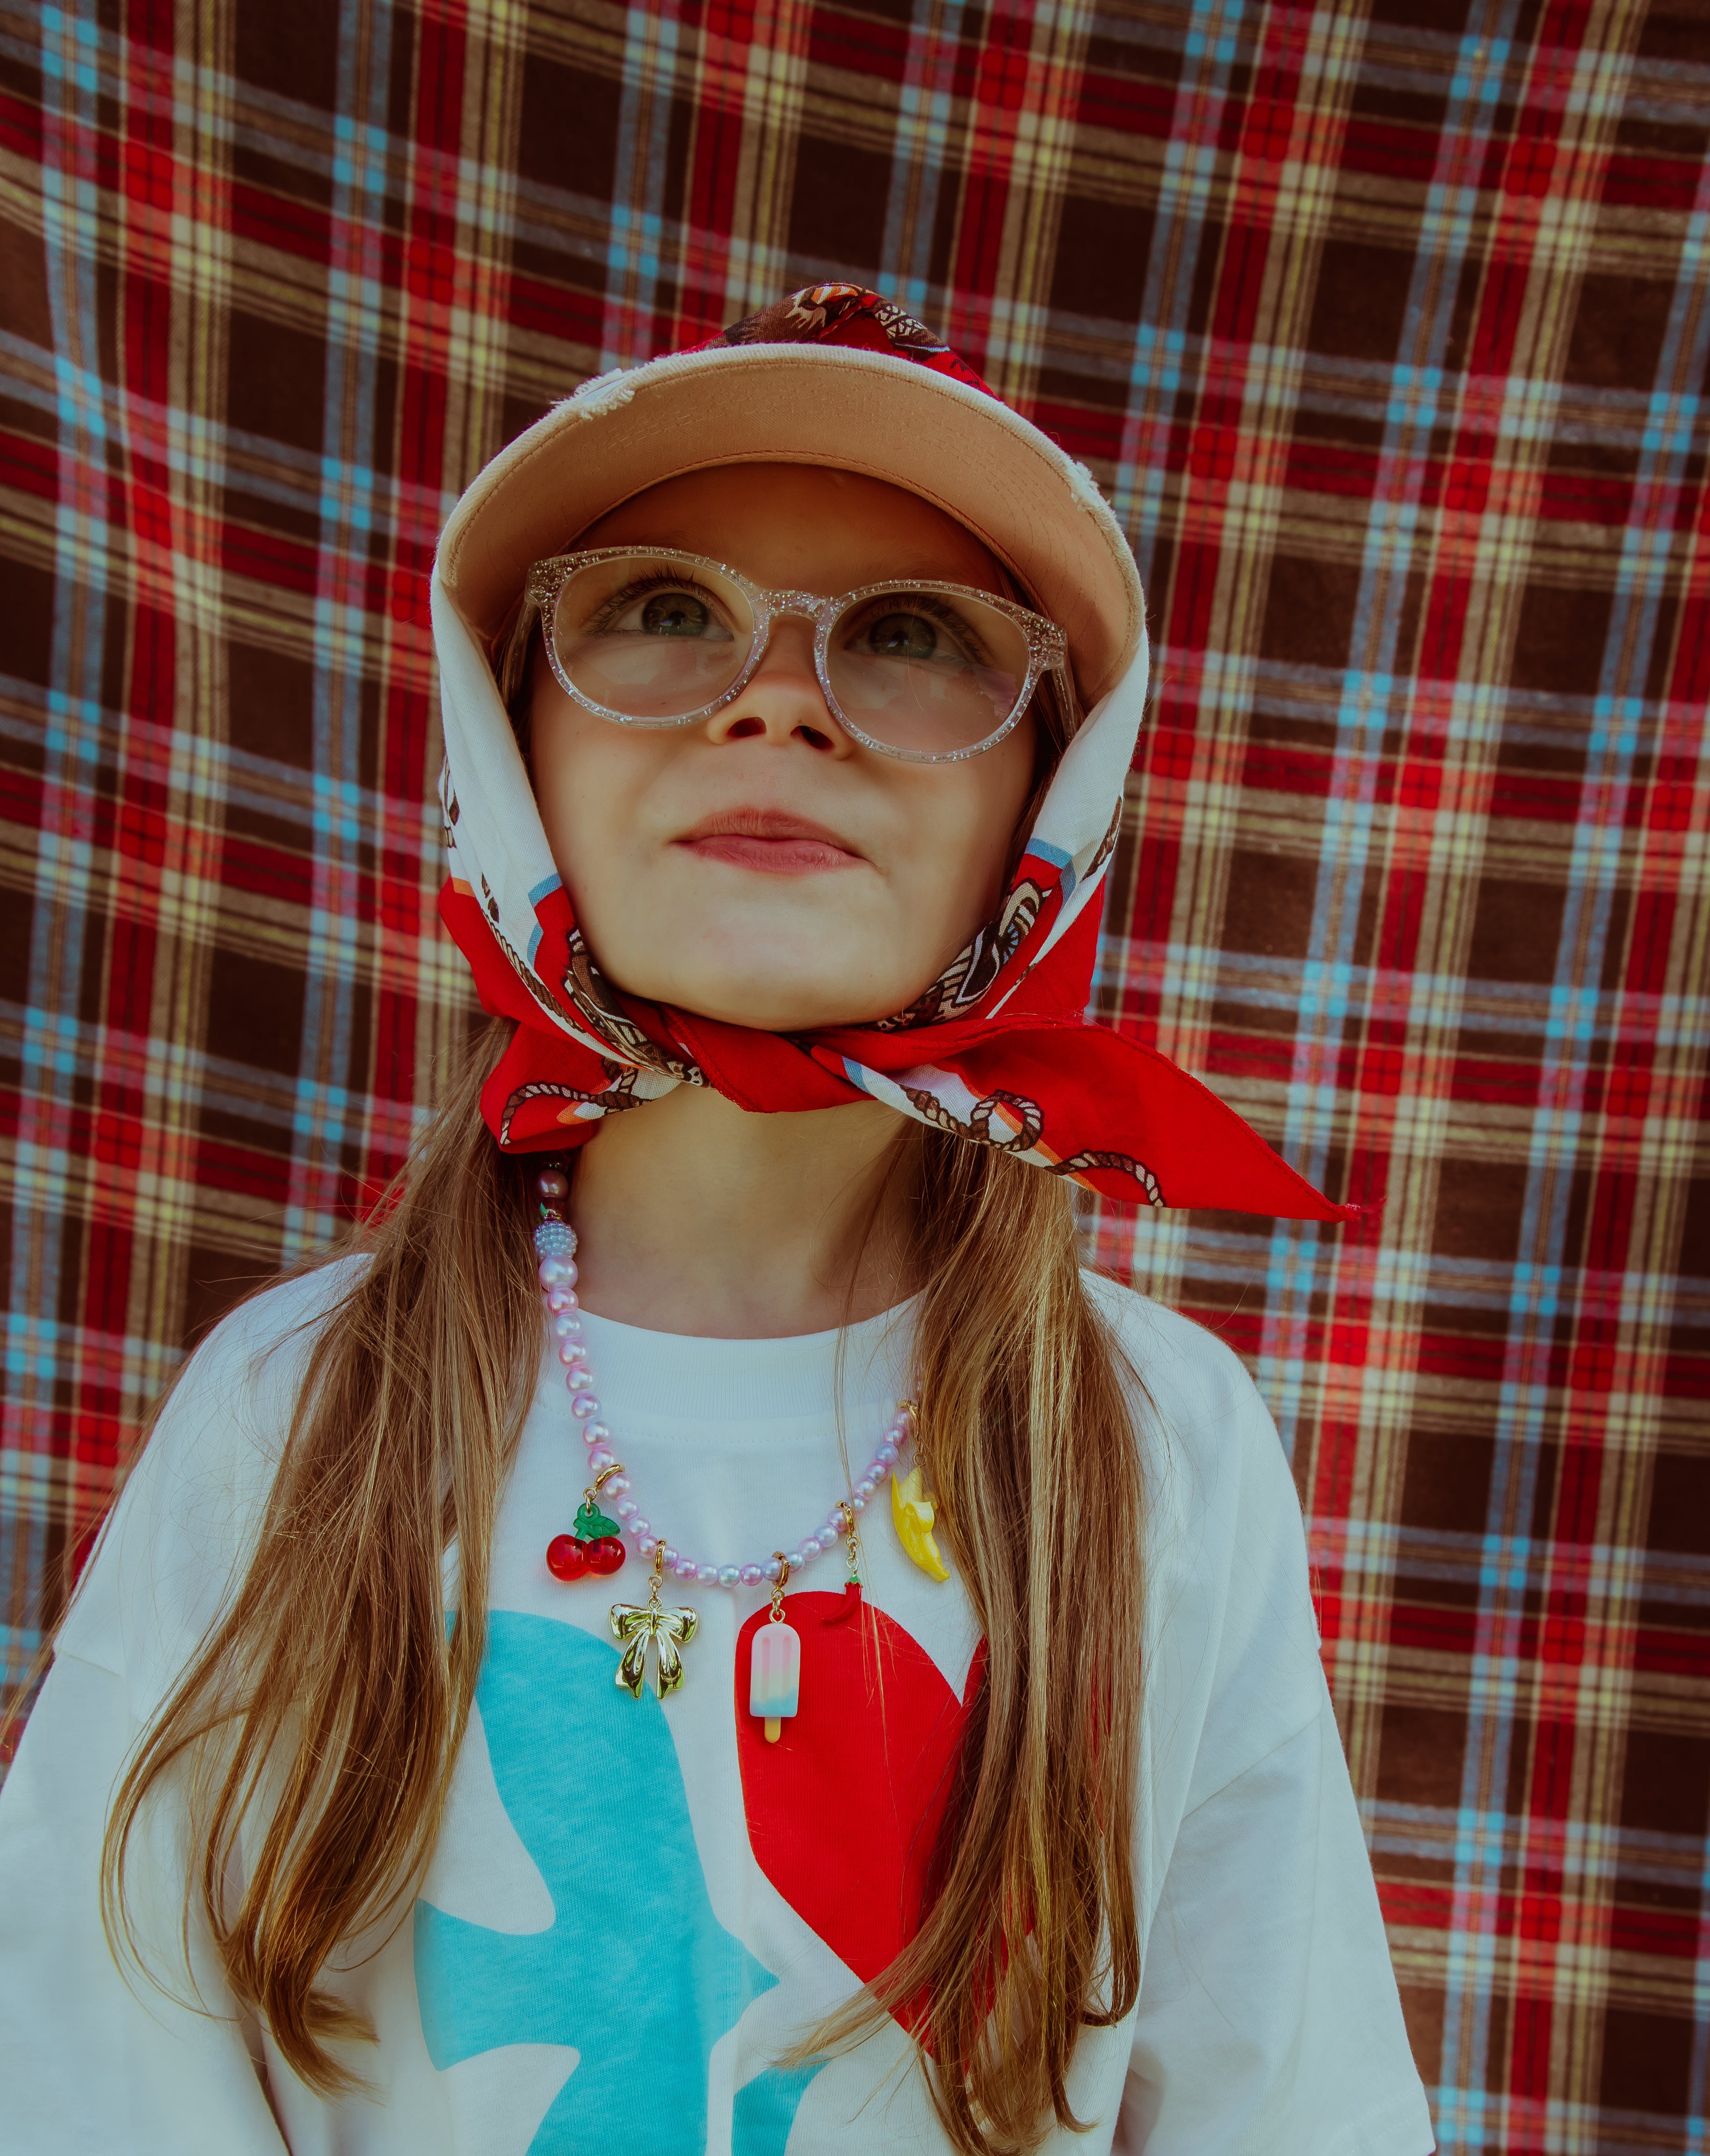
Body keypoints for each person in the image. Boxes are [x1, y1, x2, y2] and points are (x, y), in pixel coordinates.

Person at [0, 285, 1435, 2156]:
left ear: (1048, 796)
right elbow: (97, 2064)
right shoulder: (290, 1412)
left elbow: (1278, 2105)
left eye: (911, 637)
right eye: (662, 612)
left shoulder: (1160, 1449)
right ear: (508, 749)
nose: (773, 697)